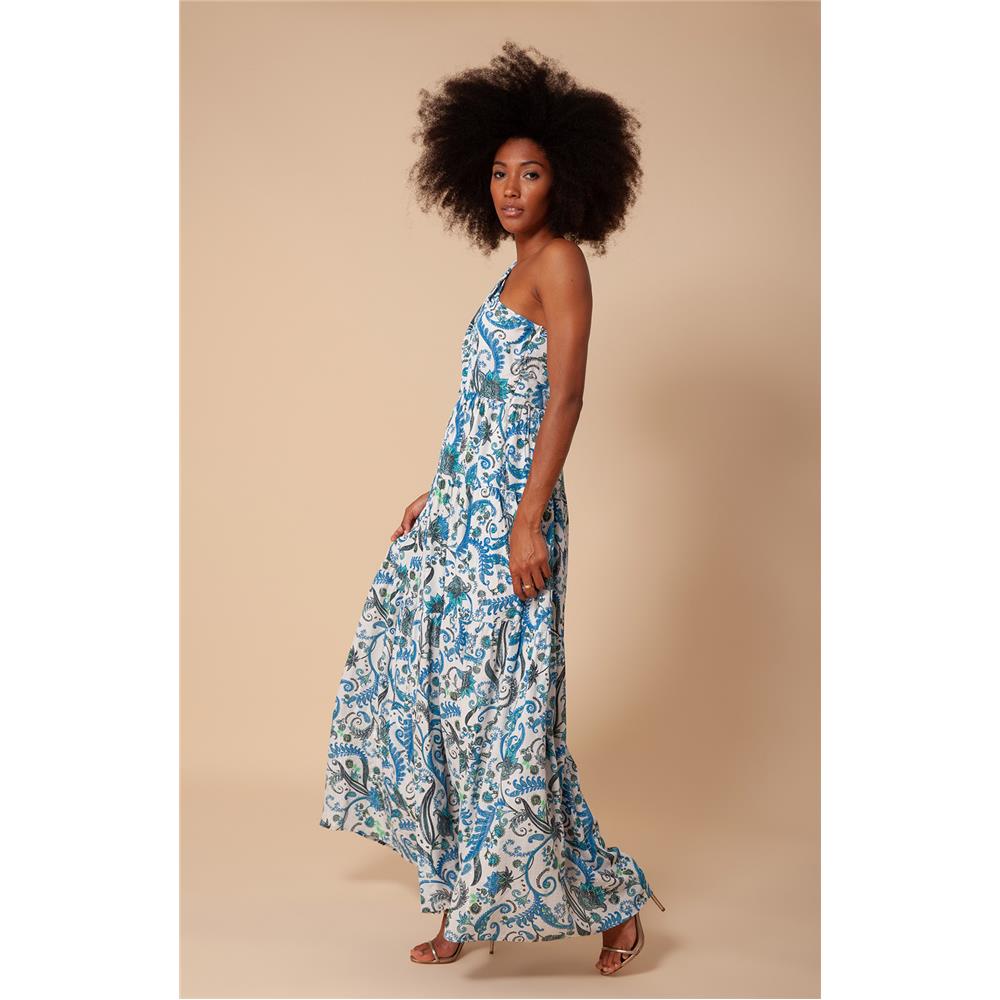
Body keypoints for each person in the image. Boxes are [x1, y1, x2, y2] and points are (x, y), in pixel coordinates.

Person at [319, 41, 665, 975]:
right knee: (448, 708)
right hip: (462, 514)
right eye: (501, 173)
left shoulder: (562, 264)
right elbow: (485, 405)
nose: (513, 189)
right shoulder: (508, 273)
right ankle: (461, 906)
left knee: (513, 726)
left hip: (515, 522)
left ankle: (617, 904)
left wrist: (525, 518)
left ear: (567, 181)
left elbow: (564, 399)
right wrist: (440, 490)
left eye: (532, 173)